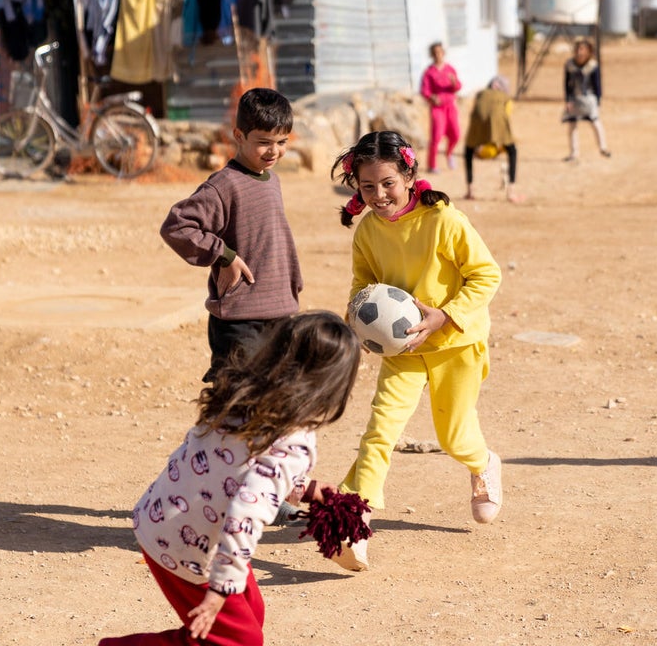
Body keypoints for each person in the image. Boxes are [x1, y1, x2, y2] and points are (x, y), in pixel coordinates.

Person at [99, 312, 363, 646]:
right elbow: (245, 515)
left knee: (250, 615)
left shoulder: (243, 397)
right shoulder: (295, 441)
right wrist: (218, 591)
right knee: (240, 641)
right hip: (190, 546)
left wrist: (304, 488)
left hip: (165, 520)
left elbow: (242, 470)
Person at [331, 130, 504, 571]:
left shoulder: (445, 221)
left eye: (387, 182)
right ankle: (354, 521)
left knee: (454, 436)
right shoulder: (367, 232)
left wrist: (444, 316)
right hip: (402, 349)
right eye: (367, 187)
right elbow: (361, 286)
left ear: (409, 174)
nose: (379, 195)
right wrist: (360, 325)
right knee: (380, 431)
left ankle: (483, 464)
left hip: (455, 343)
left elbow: (486, 275)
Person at [160, 88, 302, 386]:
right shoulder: (224, 185)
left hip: (278, 314)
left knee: (275, 398)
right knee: (236, 401)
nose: (273, 151)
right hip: (240, 321)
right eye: (263, 142)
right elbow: (177, 225)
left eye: (281, 142)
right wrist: (224, 256)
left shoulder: (271, 179)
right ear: (239, 135)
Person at [463, 76, 523, 203]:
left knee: (468, 150)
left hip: (477, 119)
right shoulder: (504, 96)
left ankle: (470, 190)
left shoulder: (481, 93)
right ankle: (511, 192)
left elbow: (475, 109)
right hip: (497, 118)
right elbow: (507, 112)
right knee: (512, 150)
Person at [562, 39, 611, 161]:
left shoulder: (592, 66)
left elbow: (597, 85)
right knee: (572, 125)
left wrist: (598, 101)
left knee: (595, 122)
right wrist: (568, 100)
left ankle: (603, 148)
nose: (579, 52)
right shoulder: (570, 65)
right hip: (575, 98)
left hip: (589, 99)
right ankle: (574, 152)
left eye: (582, 49)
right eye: (578, 49)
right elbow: (567, 84)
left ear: (589, 52)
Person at [419, 41, 462, 173]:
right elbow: (424, 91)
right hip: (437, 108)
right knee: (436, 136)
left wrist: (454, 82)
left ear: (443, 53)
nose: (438, 55)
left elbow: (458, 86)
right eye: (435, 53)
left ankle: (449, 153)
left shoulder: (450, 69)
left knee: (456, 134)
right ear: (432, 55)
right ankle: (432, 165)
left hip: (450, 106)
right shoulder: (429, 72)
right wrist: (432, 97)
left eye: (440, 52)